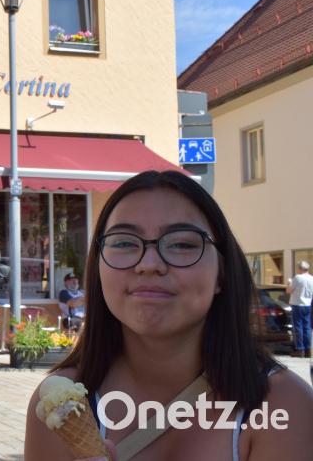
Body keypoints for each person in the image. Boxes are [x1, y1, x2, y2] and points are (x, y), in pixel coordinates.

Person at [25, 170, 313, 460]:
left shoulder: (284, 403)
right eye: (124, 242)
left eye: (182, 244)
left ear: (221, 273)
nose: (150, 264)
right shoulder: (56, 404)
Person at [287, 260, 313, 358]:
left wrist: (289, 283)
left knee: (298, 327)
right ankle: (308, 350)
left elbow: (289, 290)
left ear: (300, 268)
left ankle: (299, 349)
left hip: (297, 304)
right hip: (308, 304)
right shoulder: (311, 278)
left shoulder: (298, 278)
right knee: (307, 327)